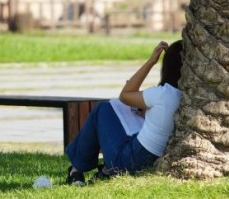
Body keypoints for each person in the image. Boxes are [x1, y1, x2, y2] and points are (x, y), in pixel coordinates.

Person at [64, 40, 184, 185]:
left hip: (128, 163)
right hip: (154, 159)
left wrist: (151, 61)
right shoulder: (192, 97)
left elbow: (125, 94)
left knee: (102, 109)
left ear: (168, 66)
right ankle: (105, 171)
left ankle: (76, 171)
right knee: (129, 115)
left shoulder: (162, 94)